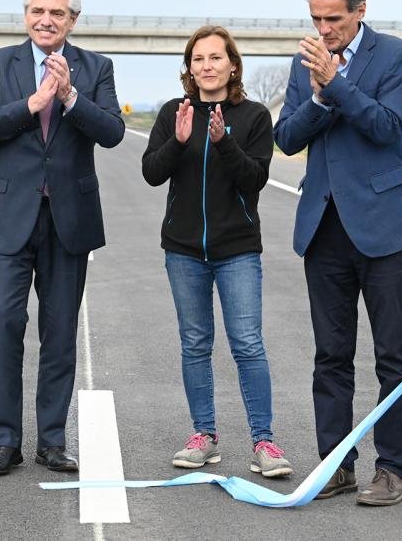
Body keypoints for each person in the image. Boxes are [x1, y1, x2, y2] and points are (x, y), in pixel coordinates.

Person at [273, 0, 402, 506]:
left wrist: (336, 85)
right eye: (315, 18)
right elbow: (286, 138)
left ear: (360, 10)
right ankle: (336, 465)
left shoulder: (395, 56)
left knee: (393, 357)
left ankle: (392, 469)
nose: (323, 28)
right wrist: (317, 99)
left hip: (386, 229)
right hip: (325, 229)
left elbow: (386, 127)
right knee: (331, 356)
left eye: (333, 18)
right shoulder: (305, 63)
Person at [0, 0, 124, 475]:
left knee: (59, 334)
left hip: (68, 220)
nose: (46, 20)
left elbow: (113, 132)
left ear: (73, 20)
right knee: (3, 326)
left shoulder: (96, 68)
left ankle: (52, 441)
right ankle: (4, 442)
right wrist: (30, 105)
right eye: (37, 11)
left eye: (57, 13)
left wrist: (71, 97)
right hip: (6, 221)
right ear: (25, 15)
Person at [141, 26, 291, 478]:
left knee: (247, 344)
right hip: (184, 250)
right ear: (189, 67)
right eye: (198, 59)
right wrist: (178, 141)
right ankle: (203, 436)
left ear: (233, 65)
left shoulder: (254, 116)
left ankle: (264, 442)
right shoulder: (174, 113)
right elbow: (151, 173)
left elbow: (254, 179)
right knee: (195, 343)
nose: (206, 66)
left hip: (237, 250)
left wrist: (224, 140)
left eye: (215, 58)